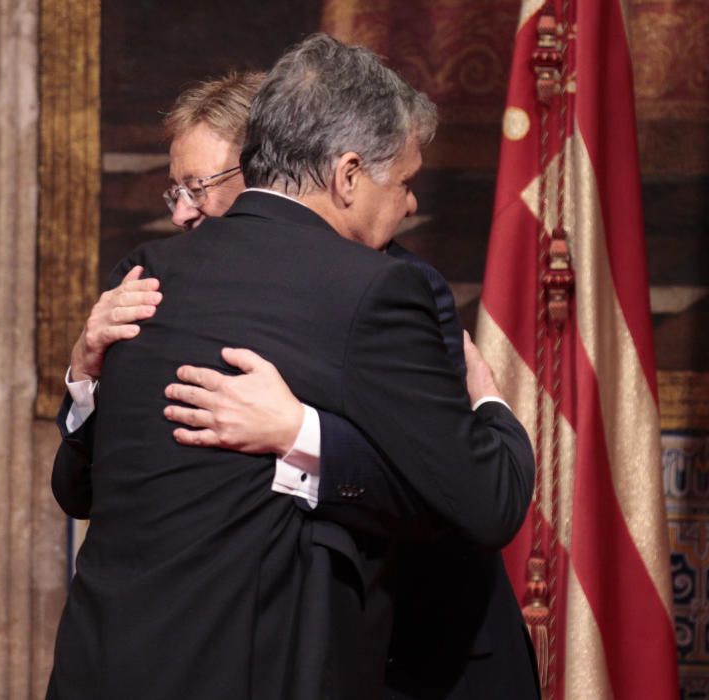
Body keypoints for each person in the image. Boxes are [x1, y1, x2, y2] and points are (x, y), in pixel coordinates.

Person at [47, 35, 535, 700]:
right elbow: (479, 496)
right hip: (246, 662)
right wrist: (84, 375)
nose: (185, 210)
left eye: (201, 186)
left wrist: (298, 435)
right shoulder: (147, 284)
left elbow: (438, 500)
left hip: (373, 655)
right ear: (347, 174)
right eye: (176, 190)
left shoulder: (381, 283)